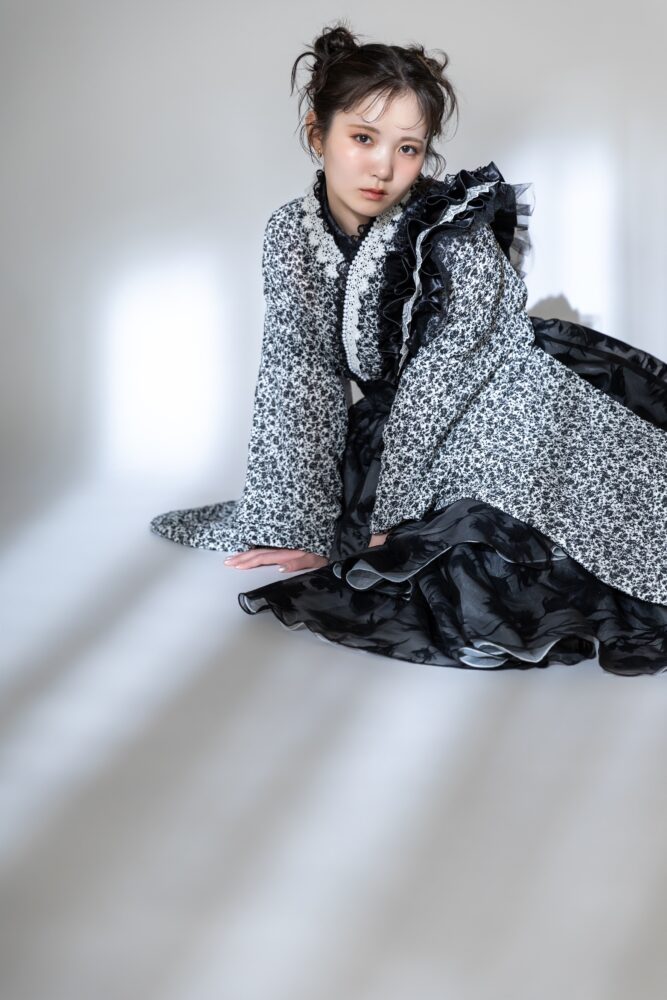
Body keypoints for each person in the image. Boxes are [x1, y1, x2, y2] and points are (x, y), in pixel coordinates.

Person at [149, 22, 667, 675]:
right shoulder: (290, 233)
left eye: (408, 148)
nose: (383, 167)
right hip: (399, 421)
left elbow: (443, 379)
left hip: (504, 394)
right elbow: (297, 371)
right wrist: (295, 523)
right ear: (318, 133)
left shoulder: (450, 233)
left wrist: (386, 522)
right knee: (368, 530)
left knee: (477, 548)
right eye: (362, 138)